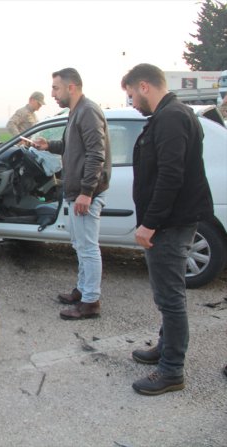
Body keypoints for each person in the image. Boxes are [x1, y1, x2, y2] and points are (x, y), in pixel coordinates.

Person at [121, 64, 213, 396]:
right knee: (167, 296)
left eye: (131, 94)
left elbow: (170, 176)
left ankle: (172, 371)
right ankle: (165, 347)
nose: (131, 102)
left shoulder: (172, 117)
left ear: (143, 86)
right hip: (172, 221)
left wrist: (150, 224)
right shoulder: (172, 114)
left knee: (170, 299)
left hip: (169, 224)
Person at [34, 68, 111, 320]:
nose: (52, 93)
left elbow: (95, 154)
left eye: (56, 88)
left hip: (85, 192)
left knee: (88, 247)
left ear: (72, 87)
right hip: (76, 190)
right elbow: (73, 146)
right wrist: (50, 145)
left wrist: (87, 192)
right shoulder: (75, 112)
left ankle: (90, 302)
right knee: (79, 245)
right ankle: (83, 290)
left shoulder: (87, 111)